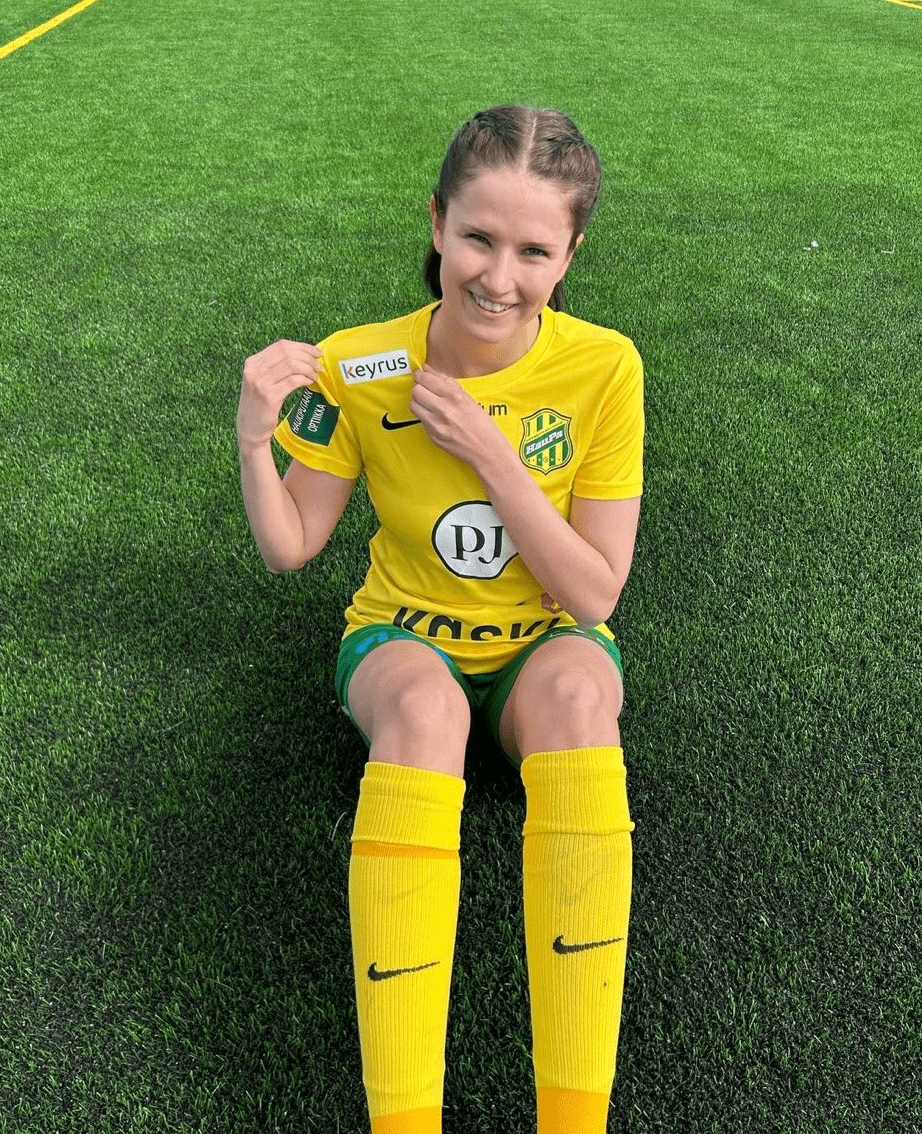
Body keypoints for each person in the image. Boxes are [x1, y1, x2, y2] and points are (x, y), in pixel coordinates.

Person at [236, 104, 643, 1134]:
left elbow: (595, 594)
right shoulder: (360, 364)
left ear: (569, 256)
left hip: (544, 638)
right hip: (404, 637)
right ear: (435, 222)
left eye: (533, 251)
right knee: (426, 715)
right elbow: (291, 546)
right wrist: (251, 441)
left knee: (580, 698)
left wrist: (494, 457)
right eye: (478, 237)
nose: (498, 276)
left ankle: (574, 1119)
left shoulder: (605, 367)